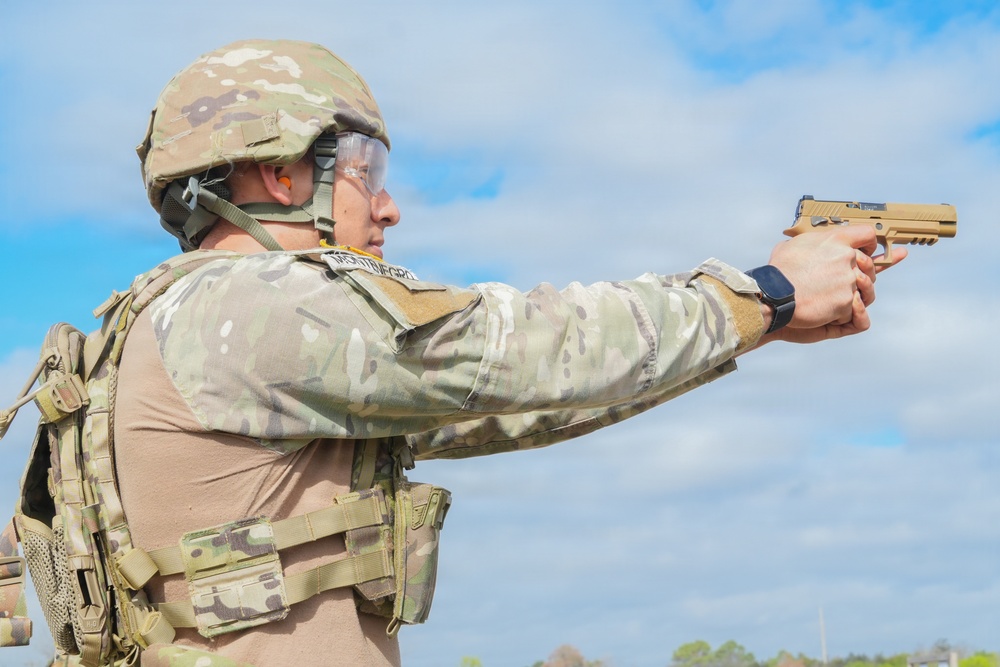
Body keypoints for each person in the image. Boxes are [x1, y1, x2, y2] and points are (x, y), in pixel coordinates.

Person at [107, 38, 900, 667]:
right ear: (280, 173)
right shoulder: (253, 309)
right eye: (364, 170)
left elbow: (525, 402)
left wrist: (755, 321)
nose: (387, 206)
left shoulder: (194, 323)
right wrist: (765, 291)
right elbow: (524, 348)